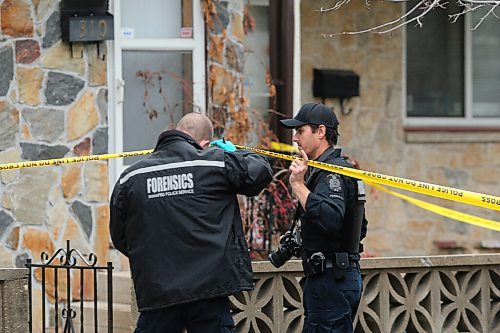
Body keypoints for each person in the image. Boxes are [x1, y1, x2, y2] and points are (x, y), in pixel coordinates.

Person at [110, 112, 273, 333]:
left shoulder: (132, 177)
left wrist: (154, 260)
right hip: (210, 292)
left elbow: (120, 237)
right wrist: (235, 152)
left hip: (159, 293)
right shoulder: (216, 164)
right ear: (205, 143)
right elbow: (261, 171)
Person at [279, 103, 368, 333]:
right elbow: (360, 228)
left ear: (320, 132)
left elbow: (330, 219)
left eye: (300, 131)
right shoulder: (332, 169)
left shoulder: (332, 173)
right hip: (336, 278)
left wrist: (298, 185)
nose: (295, 138)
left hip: (331, 280)